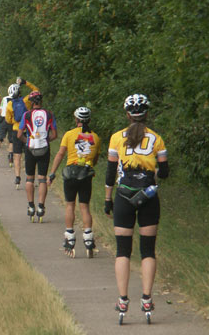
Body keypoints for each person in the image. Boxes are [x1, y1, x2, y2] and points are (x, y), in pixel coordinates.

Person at [104, 94, 169, 321]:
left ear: (128, 114)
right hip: (149, 196)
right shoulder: (157, 139)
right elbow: (165, 172)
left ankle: (123, 300)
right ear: (147, 114)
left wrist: (107, 199)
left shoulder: (115, 138)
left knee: (123, 250)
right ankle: (147, 298)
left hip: (123, 196)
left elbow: (111, 173)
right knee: (148, 250)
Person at [48, 106, 101, 258]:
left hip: (71, 173)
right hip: (86, 174)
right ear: (89, 120)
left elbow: (60, 154)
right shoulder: (96, 138)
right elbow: (95, 160)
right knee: (84, 207)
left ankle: (70, 237)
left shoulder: (69, 135)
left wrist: (52, 173)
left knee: (70, 205)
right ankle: (89, 239)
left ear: (76, 119)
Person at [17, 91, 57, 222]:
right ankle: (41, 206)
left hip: (30, 147)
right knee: (42, 179)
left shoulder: (26, 115)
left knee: (29, 178)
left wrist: (27, 141)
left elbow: (19, 135)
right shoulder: (49, 114)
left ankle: (30, 206)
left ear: (32, 102)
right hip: (44, 148)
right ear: (41, 101)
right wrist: (46, 141)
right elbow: (54, 134)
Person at [5, 77, 40, 188]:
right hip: (28, 130)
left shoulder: (10, 105)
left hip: (16, 131)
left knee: (17, 155)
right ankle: (30, 177)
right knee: (29, 154)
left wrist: (15, 122)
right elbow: (36, 91)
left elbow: (8, 120)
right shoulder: (26, 100)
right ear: (20, 92)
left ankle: (17, 177)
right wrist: (25, 82)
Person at [0, 83, 17, 167]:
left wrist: (0, 120)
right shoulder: (18, 100)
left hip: (3, 119)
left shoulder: (5, 98)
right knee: (11, 140)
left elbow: (1, 110)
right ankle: (10, 156)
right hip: (12, 121)